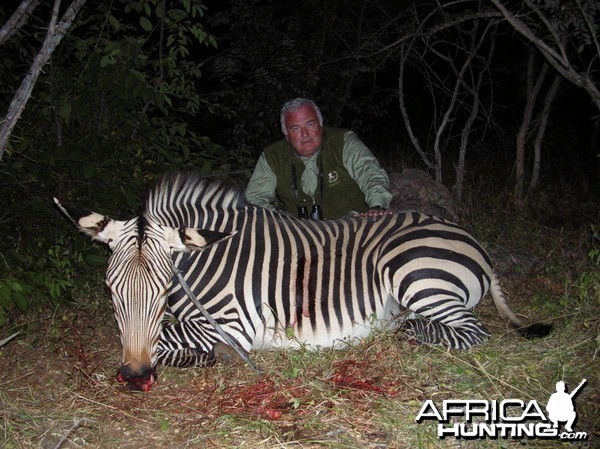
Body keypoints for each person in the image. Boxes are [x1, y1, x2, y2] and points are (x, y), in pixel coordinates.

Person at [245, 98, 392, 219]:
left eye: (310, 124)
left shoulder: (344, 141)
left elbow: (370, 174)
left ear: (320, 125)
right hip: (300, 233)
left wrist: (377, 206)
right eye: (295, 128)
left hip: (353, 225)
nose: (305, 134)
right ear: (286, 135)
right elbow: (255, 198)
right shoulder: (272, 156)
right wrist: (282, 219)